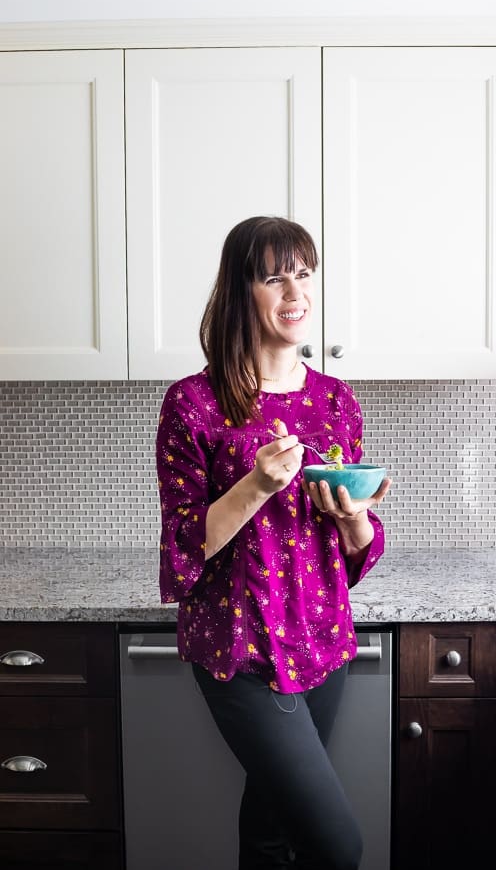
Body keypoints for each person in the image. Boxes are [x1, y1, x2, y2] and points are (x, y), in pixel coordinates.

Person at [156, 216, 391, 870]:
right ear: (242, 292)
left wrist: (354, 518)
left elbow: (353, 552)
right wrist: (257, 484)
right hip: (241, 648)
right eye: (275, 276)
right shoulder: (195, 405)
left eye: (306, 274)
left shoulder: (336, 402)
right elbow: (181, 552)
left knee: (270, 826)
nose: (297, 291)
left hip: (324, 639)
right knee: (338, 846)